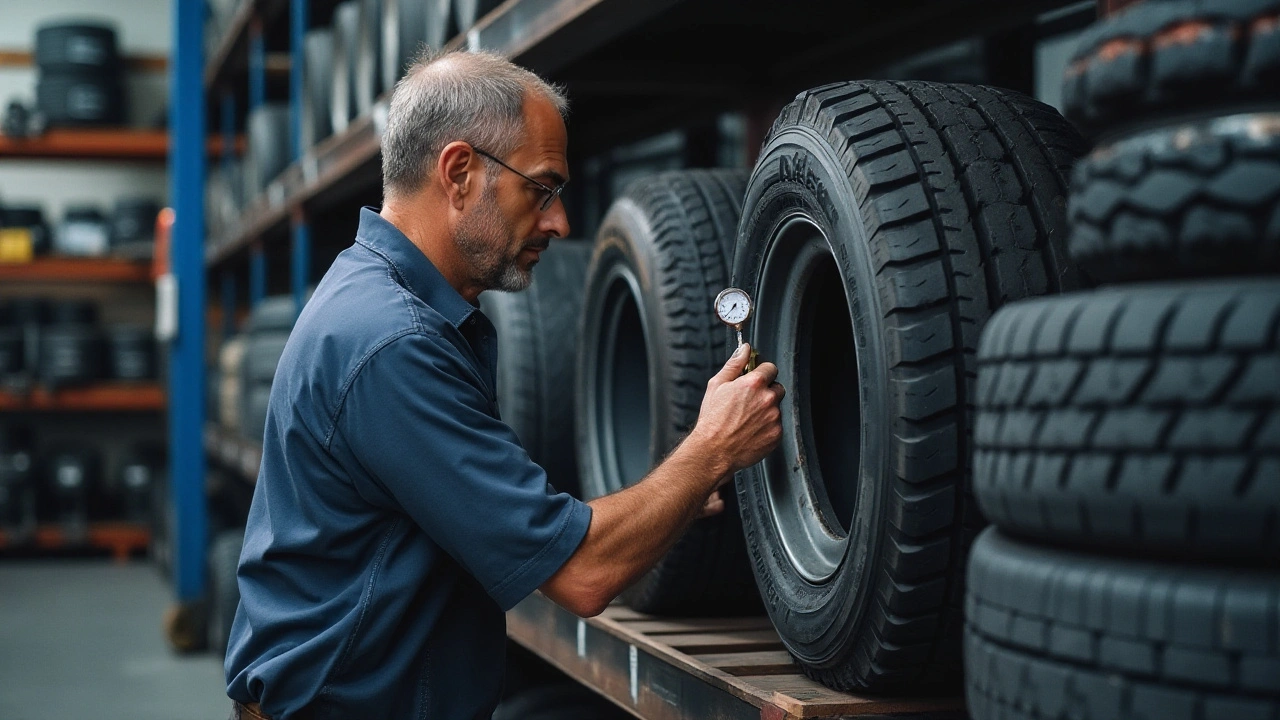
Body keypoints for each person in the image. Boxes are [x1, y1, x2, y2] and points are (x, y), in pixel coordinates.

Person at [224, 49, 784, 720]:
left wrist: (673, 498)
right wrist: (713, 447)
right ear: (459, 173)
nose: (560, 223)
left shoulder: (383, 302)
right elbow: (582, 575)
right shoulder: (392, 344)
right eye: (542, 189)